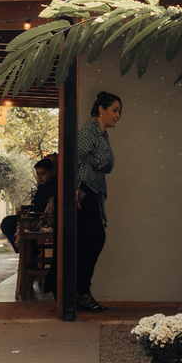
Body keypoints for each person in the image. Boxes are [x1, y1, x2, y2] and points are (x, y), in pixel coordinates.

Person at [77, 91, 121, 312]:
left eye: (119, 112)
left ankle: (80, 291)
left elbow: (106, 164)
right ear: (101, 109)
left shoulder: (102, 134)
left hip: (92, 193)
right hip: (83, 192)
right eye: (114, 110)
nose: (118, 115)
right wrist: (74, 191)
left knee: (90, 242)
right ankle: (80, 292)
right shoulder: (88, 129)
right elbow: (73, 157)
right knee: (93, 240)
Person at [0, 156, 57, 252]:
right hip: (37, 216)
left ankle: (24, 250)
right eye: (38, 174)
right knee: (9, 221)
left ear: (52, 172)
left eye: (43, 173)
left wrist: (28, 211)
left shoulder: (50, 188)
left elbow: (41, 208)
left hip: (39, 220)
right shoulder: (45, 186)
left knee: (6, 223)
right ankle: (28, 249)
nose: (39, 177)